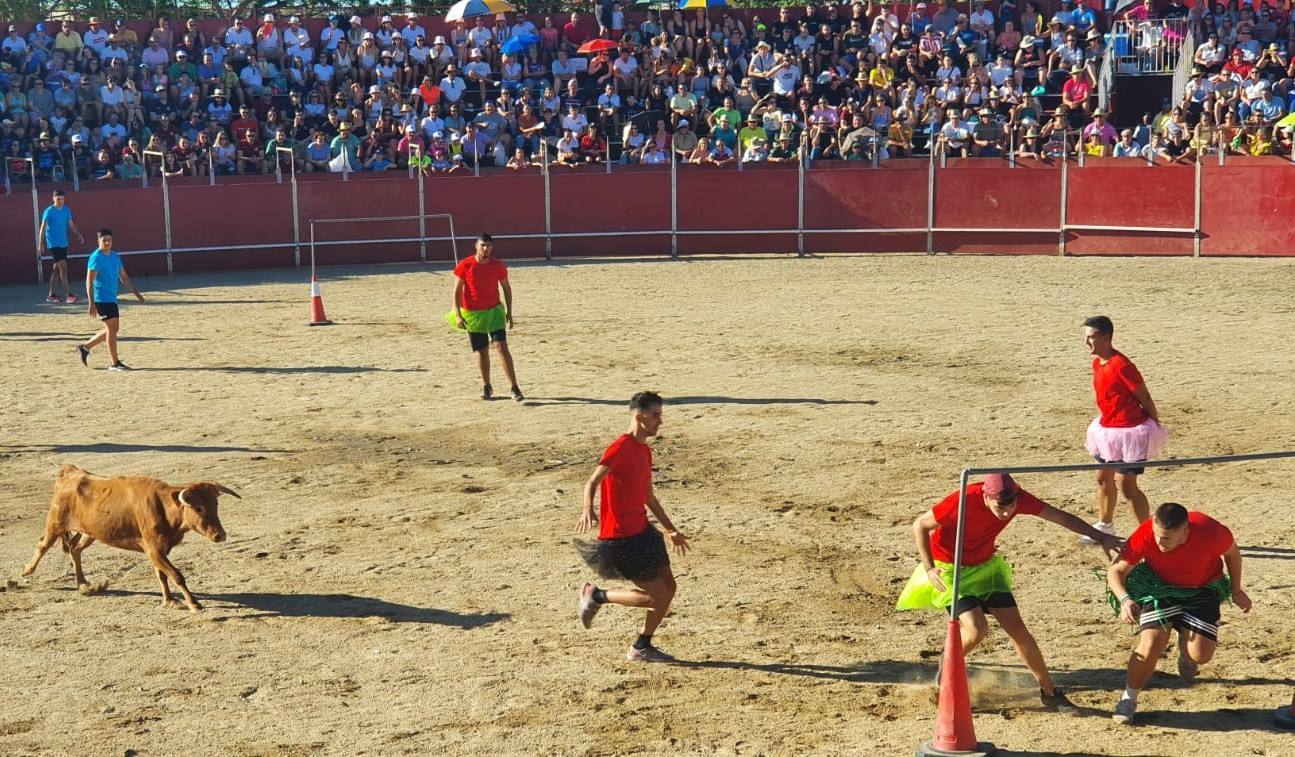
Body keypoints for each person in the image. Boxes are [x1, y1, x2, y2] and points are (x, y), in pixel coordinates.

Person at [898, 473, 1121, 712]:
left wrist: (1101, 537)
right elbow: (920, 525)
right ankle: (948, 663)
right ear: (986, 497)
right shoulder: (963, 500)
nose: (1006, 514)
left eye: (1011, 507)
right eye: (1000, 508)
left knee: (1017, 628)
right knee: (976, 629)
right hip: (949, 570)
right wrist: (929, 568)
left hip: (985, 569)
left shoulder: (1020, 497)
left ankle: (1049, 692)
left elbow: (1060, 517)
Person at [1106, 502, 1252, 725]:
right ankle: (1129, 699)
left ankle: (1185, 640)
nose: (1159, 542)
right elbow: (1116, 570)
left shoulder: (1211, 531)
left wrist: (1236, 590)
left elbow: (1232, 554)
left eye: (1166, 538)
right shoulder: (1146, 533)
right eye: (1157, 535)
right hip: (1159, 588)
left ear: (1185, 531)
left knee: (1200, 656)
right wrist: (1125, 600)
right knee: (1150, 645)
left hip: (1203, 589)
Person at [576, 392, 690, 663]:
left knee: (669, 588)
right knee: (655, 597)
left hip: (643, 532)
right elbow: (592, 481)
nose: (660, 421)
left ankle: (642, 646)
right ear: (640, 417)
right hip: (621, 538)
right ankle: (597, 595)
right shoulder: (620, 447)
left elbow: (649, 496)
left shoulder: (645, 451)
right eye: (656, 415)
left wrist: (670, 529)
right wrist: (587, 508)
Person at [1081, 315, 1167, 543]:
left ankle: (1148, 534)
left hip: (1129, 432)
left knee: (1127, 486)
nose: (1086, 342)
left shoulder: (1122, 365)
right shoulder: (1097, 363)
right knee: (1103, 478)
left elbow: (1144, 396)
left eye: (1091, 337)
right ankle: (1105, 525)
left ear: (1106, 338)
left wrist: (1154, 421)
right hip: (1107, 430)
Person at [450, 234, 523, 402]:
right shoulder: (465, 265)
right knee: (482, 352)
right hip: (473, 315)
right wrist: (457, 314)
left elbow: (506, 288)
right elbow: (457, 291)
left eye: (488, 246)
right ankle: (487, 385)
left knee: (501, 348)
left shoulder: (498, 265)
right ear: (476, 246)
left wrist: (509, 312)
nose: (485, 248)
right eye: (483, 245)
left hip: (494, 312)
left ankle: (514, 387)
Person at [77, 229, 144, 371]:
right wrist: (91, 302)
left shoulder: (115, 256)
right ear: (98, 241)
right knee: (111, 330)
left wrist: (136, 293)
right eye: (104, 240)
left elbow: (124, 277)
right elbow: (89, 281)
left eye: (109, 240)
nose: (107, 243)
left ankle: (85, 347)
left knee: (113, 329)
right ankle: (114, 363)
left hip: (112, 298)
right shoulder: (95, 258)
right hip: (101, 299)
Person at [37, 189, 86, 303]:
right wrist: (41, 243)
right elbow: (43, 228)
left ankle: (51, 295)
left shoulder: (66, 210)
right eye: (58, 199)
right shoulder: (49, 211)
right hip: (53, 244)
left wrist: (79, 235)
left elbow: (71, 224)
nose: (60, 201)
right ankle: (68, 295)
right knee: (63, 267)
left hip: (63, 243)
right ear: (53, 199)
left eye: (62, 199)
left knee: (56, 269)